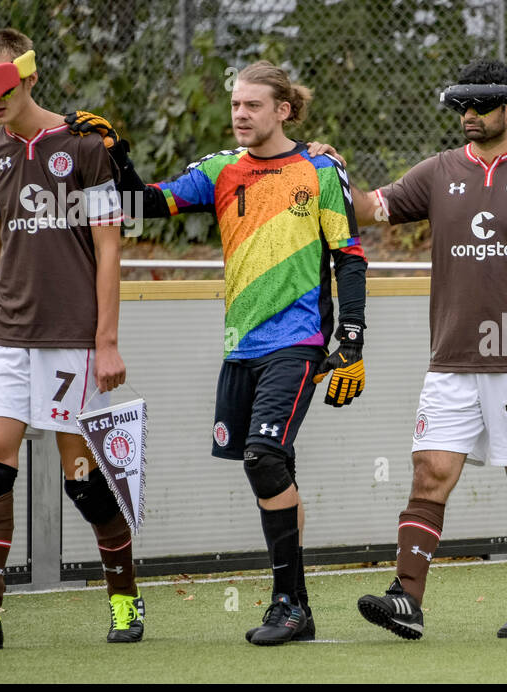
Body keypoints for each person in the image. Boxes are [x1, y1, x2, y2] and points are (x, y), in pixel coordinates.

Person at [72, 62, 368, 646]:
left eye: (252, 106)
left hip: (300, 341)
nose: (239, 115)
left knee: (262, 457)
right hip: (240, 348)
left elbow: (349, 255)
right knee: (273, 464)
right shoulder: (221, 169)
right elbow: (145, 205)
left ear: (282, 110)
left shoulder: (321, 168)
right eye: (236, 104)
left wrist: (351, 341)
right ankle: (298, 608)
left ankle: (288, 603)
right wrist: (114, 153)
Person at [313, 59, 507, 639]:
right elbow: (368, 208)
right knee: (429, 473)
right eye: (461, 106)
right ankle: (407, 600)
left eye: (482, 105)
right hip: (450, 360)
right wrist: (332, 168)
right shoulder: (438, 172)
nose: (469, 115)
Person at [0, 28, 139, 650]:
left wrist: (108, 339)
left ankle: (124, 598)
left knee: (79, 475)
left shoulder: (86, 145)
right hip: (7, 336)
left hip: (71, 336)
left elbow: (108, 245)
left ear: (29, 78)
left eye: (3, 88)